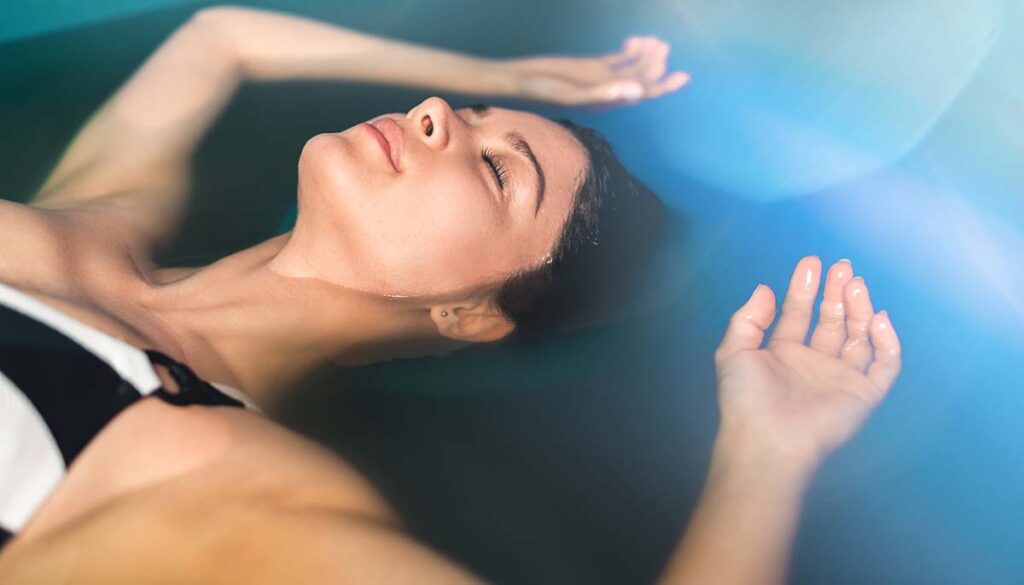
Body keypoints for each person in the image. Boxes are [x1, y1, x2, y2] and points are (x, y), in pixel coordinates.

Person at [0, 6, 903, 584]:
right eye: (461, 119)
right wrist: (508, 83)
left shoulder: (235, 484)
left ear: (473, 314)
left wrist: (766, 454)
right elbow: (219, 40)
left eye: (497, 172)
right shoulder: (98, 226)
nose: (433, 109)